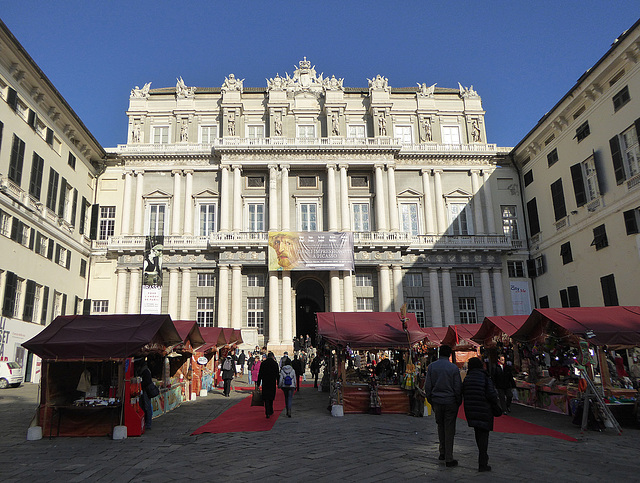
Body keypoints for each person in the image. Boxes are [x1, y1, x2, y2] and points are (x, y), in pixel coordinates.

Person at [424, 345, 462, 468]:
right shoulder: (453, 368)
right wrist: (458, 400)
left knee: (440, 426)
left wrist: (430, 399)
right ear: (450, 354)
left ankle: (442, 452)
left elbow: (428, 386)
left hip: (437, 400)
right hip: (450, 401)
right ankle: (449, 457)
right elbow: (457, 387)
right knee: (449, 429)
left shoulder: (432, 367)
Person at [463, 357, 500, 472]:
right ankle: (483, 461)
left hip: (471, 410)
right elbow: (491, 394)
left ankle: (483, 457)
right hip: (484, 409)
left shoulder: (467, 378)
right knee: (484, 435)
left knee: (478, 433)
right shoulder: (485, 377)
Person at [257, 352, 279, 419]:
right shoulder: (275, 363)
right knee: (271, 397)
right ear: (272, 356)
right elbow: (277, 374)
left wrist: (258, 383)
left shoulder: (263, 363)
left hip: (265, 382)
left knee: (266, 397)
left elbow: (260, 374)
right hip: (272, 382)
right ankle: (271, 409)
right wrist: (278, 382)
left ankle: (267, 412)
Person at [138, 362, 153, 430]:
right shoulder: (146, 371)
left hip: (146, 391)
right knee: (146, 406)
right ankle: (147, 422)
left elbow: (147, 382)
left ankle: (148, 423)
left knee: (147, 406)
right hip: (145, 391)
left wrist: (140, 383)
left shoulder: (145, 371)